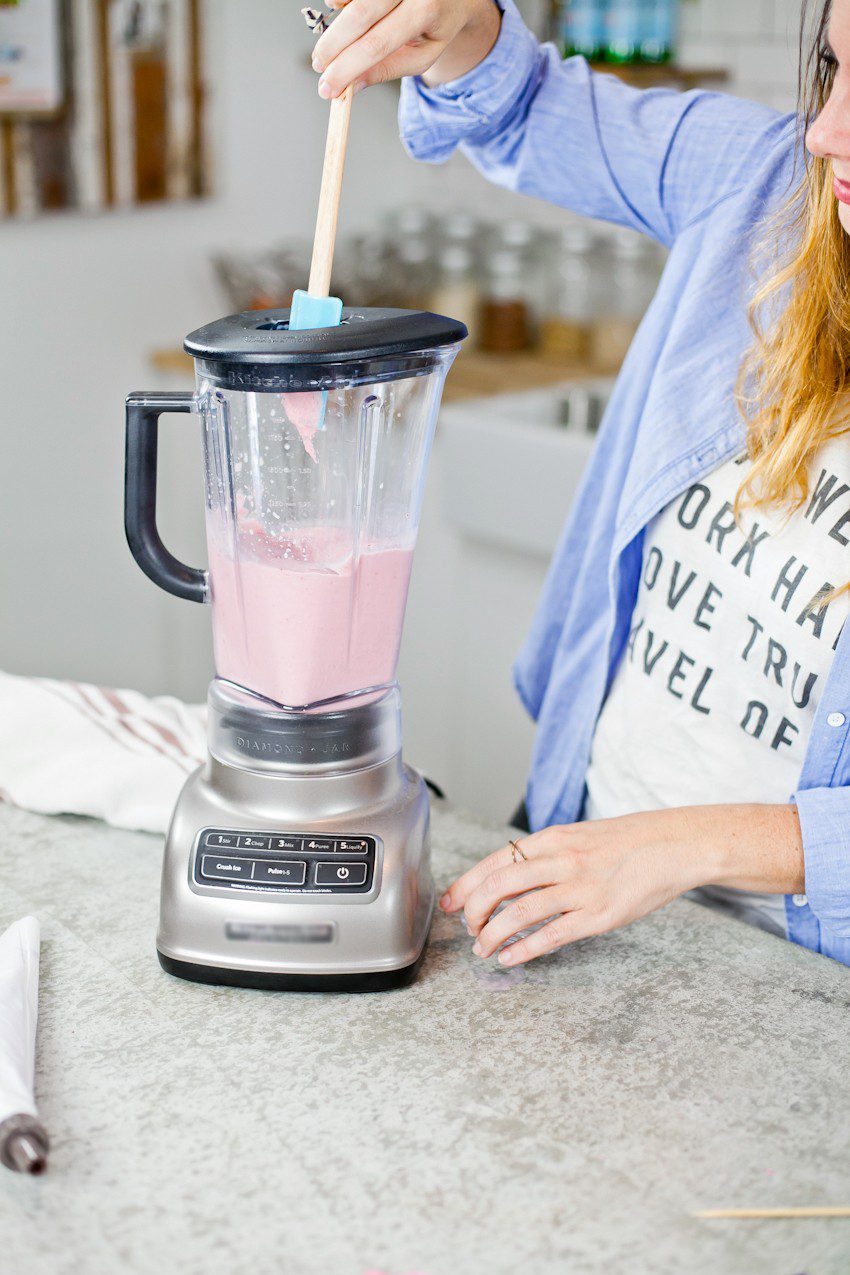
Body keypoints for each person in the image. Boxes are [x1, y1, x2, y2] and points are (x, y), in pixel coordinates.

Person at [311, 0, 850, 966]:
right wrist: (459, 31)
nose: (826, 130)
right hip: (585, 875)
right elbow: (527, 106)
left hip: (799, 979)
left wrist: (683, 845)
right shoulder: (766, 183)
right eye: (835, 70)